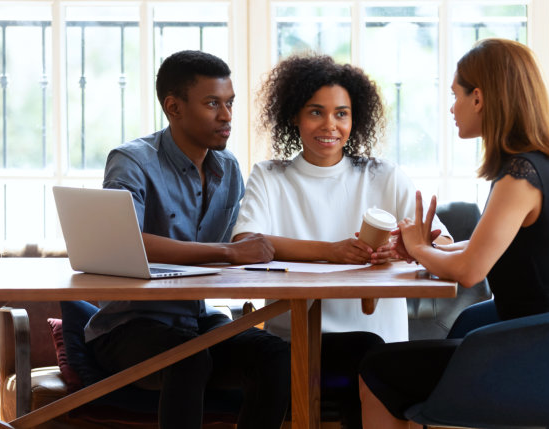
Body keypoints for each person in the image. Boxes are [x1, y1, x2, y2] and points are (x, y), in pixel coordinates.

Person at [358, 38, 549, 428]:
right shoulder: (540, 166)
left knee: (376, 371)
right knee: (404, 379)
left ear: (478, 98)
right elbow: (488, 247)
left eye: (455, 95)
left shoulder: (519, 177)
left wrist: (417, 246)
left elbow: (469, 271)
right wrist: (422, 250)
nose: (452, 107)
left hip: (539, 356)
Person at [230, 53, 451, 428]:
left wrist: (405, 250)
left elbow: (442, 243)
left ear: (355, 118)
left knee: (368, 362)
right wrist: (331, 252)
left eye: (341, 113)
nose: (329, 124)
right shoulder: (270, 176)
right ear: (294, 117)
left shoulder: (383, 176)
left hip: (380, 343)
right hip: (295, 342)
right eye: (315, 112)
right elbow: (246, 242)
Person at [84, 50, 290, 429]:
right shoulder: (131, 161)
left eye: (229, 103)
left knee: (276, 355)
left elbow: (240, 245)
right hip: (128, 329)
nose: (227, 116)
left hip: (196, 322)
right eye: (213, 104)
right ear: (174, 107)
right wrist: (228, 252)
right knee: (189, 358)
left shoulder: (227, 169)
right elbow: (124, 241)